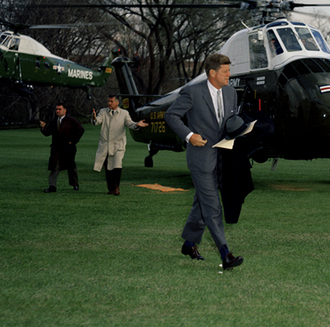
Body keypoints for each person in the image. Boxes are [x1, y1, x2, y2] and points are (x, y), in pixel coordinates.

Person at [164, 53, 244, 270]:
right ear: (212, 73)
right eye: (225, 71)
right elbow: (171, 116)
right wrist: (190, 136)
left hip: (223, 158)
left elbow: (227, 123)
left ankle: (189, 244)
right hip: (200, 159)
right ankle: (226, 254)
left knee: (201, 203)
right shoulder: (192, 92)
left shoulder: (231, 93)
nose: (230, 74)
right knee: (212, 206)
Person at [92, 94, 148, 195]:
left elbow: (129, 123)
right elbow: (97, 122)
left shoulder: (124, 113)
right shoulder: (103, 112)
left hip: (118, 145)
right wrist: (94, 118)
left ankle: (117, 187)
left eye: (111, 101)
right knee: (108, 168)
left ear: (117, 102)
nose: (109, 103)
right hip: (106, 145)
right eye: (108, 101)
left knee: (117, 165)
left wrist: (136, 124)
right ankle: (111, 188)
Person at [40, 103, 85, 193]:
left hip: (68, 148)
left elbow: (81, 130)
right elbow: (48, 133)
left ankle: (75, 184)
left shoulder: (71, 120)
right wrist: (43, 127)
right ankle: (52, 186)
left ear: (65, 110)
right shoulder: (54, 121)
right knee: (54, 167)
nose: (57, 111)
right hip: (56, 148)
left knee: (71, 167)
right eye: (56, 109)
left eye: (60, 109)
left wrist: (73, 141)